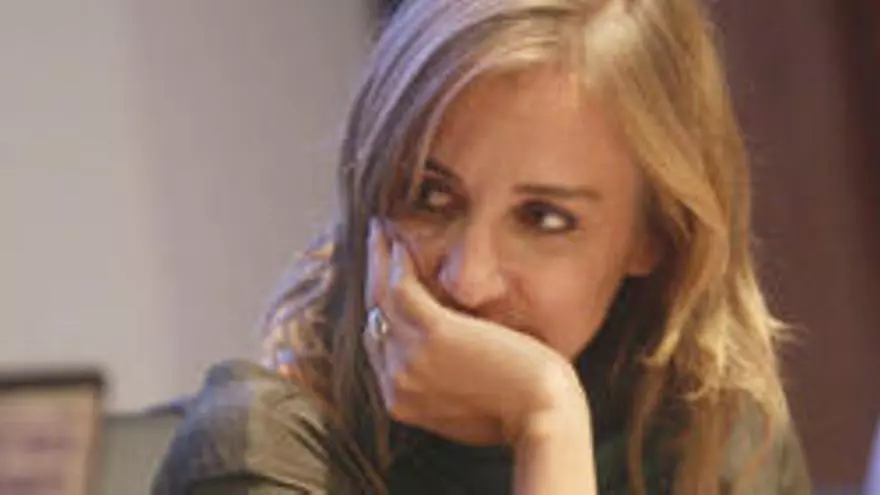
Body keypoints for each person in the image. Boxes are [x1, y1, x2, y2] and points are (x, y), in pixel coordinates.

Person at [152, 0, 812, 493]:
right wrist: (546, 416)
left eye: (544, 219)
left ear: (655, 237)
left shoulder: (715, 438)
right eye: (429, 197)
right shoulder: (256, 452)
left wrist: (547, 420)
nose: (468, 279)